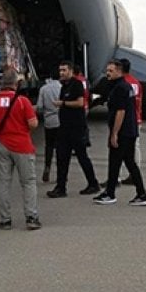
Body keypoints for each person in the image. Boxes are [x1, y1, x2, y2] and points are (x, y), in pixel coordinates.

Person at [0, 67, 40, 230]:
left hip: (2, 146)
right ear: (16, 83)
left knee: (3, 183)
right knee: (28, 182)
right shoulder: (22, 101)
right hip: (22, 145)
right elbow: (33, 124)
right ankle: (31, 217)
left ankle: (5, 220)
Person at [93, 59, 146, 207]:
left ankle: (113, 193)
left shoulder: (121, 88)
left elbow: (120, 112)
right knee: (126, 162)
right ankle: (136, 193)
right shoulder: (122, 86)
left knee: (117, 161)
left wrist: (114, 133)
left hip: (124, 131)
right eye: (107, 70)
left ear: (119, 71)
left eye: (111, 71)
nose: (108, 73)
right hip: (129, 130)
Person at [47, 61, 100, 198]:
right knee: (61, 157)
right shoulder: (63, 86)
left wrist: (63, 103)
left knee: (82, 157)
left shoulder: (76, 84)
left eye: (64, 70)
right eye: (60, 70)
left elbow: (80, 102)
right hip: (64, 128)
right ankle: (60, 187)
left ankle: (93, 183)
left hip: (76, 128)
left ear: (70, 71)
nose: (62, 73)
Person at [119, 58, 144, 187]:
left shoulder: (122, 84)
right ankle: (135, 173)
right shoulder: (136, 83)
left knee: (119, 148)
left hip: (126, 119)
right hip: (137, 118)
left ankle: (116, 176)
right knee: (135, 147)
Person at [35, 70, 62, 182]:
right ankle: (60, 172)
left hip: (49, 122)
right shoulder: (62, 87)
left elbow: (40, 106)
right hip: (60, 120)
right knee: (61, 148)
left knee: (49, 146)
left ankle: (47, 167)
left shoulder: (44, 89)